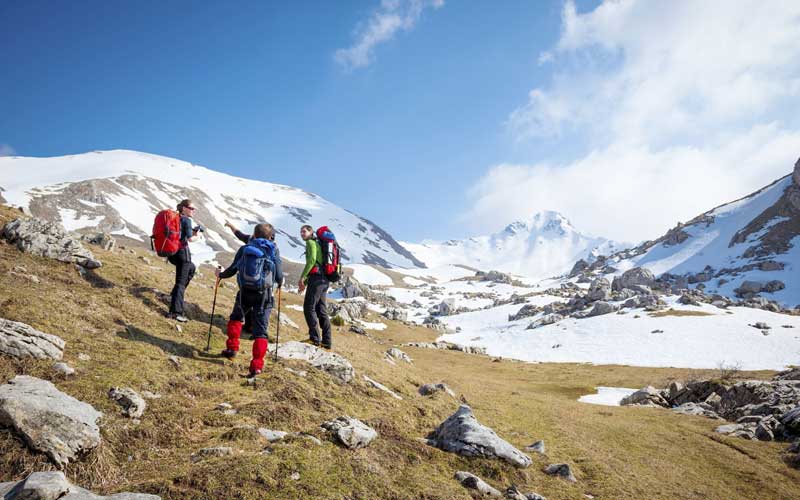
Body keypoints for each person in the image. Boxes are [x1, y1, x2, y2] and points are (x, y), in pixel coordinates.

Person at [215, 223, 283, 377]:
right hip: (263, 295)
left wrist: (220, 275)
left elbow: (233, 269)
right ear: (270, 236)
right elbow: (279, 275)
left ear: (254, 234)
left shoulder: (246, 248)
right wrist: (279, 284)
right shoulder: (273, 250)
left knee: (236, 318)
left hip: (245, 291)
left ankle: (231, 349)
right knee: (261, 330)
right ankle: (256, 367)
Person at [298, 225, 332, 349]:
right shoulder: (318, 243)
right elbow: (316, 264)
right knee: (321, 310)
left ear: (311, 232)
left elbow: (311, 261)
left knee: (308, 307)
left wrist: (302, 277)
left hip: (317, 279)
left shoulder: (311, 243)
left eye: (304, 231)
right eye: (301, 232)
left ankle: (314, 338)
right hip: (324, 280)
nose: (302, 233)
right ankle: (327, 342)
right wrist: (305, 283)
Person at [167, 199, 200, 322]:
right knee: (180, 283)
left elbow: (180, 234)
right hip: (182, 254)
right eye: (191, 208)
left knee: (191, 268)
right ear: (184, 208)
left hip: (172, 253)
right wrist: (197, 236)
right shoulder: (186, 220)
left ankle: (175, 296)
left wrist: (192, 232)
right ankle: (175, 312)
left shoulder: (175, 218)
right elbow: (190, 239)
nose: (193, 210)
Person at [224, 220, 256, 335]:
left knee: (243, 305)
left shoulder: (250, 240)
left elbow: (239, 235)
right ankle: (252, 328)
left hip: (246, 282)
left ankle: (244, 327)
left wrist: (222, 275)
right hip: (262, 285)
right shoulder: (270, 247)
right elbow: (239, 234)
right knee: (256, 306)